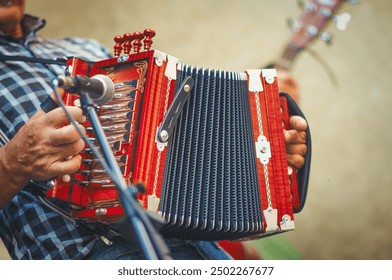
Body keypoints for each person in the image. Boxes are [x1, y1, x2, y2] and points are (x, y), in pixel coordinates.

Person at [0, 0, 308, 259]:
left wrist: (262, 153)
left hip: (196, 245)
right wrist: (12, 163)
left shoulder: (83, 47)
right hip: (86, 255)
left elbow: (171, 148)